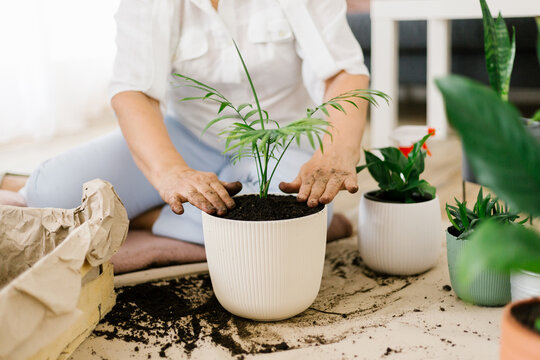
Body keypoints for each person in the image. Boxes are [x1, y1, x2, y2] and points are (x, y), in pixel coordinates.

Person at [0, 0, 370, 273]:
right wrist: (170, 172)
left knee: (284, 228)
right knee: (49, 195)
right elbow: (134, 92)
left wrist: (337, 151)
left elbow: (343, 73)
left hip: (279, 143)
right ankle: (172, 207)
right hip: (187, 137)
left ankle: (142, 217)